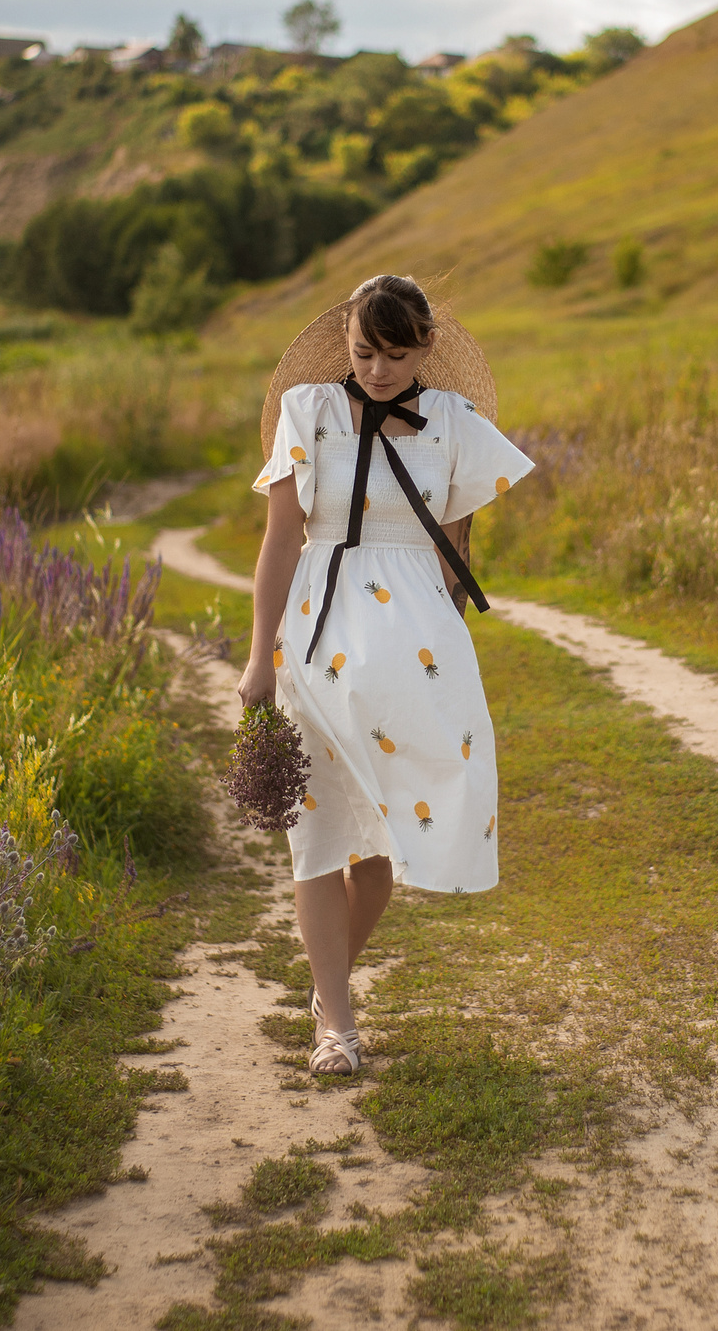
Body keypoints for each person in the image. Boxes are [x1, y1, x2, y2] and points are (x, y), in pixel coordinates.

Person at [240, 274, 534, 1075]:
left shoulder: (455, 425)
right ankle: (336, 1021)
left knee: (378, 856)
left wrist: (438, 649)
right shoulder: (309, 413)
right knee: (318, 837)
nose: (376, 371)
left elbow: (454, 550)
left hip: (415, 654)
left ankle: (326, 979)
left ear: (426, 348)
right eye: (364, 352)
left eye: (395, 355)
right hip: (318, 635)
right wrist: (259, 654)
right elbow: (279, 545)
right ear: (345, 341)